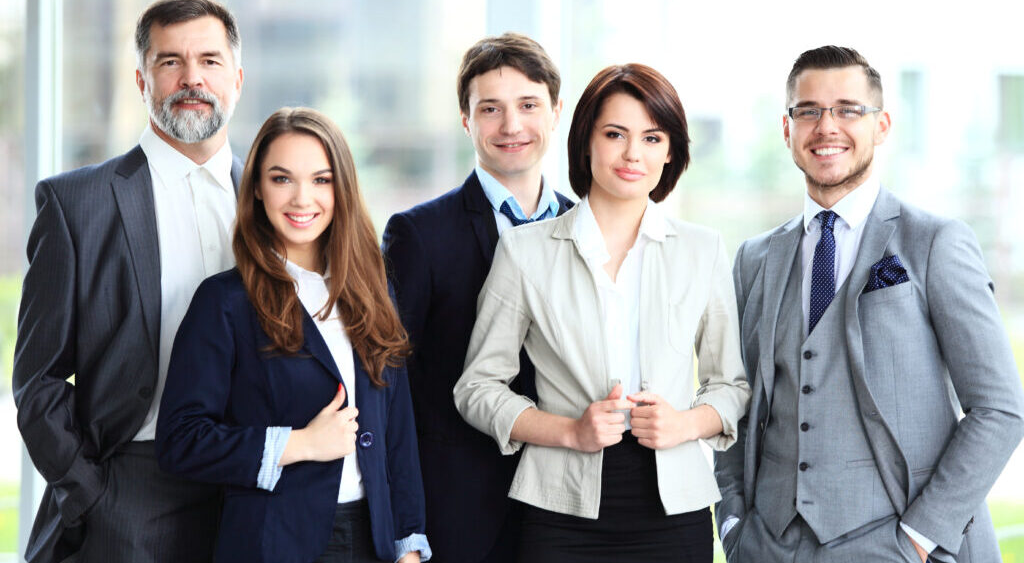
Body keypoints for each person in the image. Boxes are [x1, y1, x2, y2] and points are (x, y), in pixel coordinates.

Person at [714, 46, 1024, 563]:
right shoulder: (754, 259)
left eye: (847, 109)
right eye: (808, 110)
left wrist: (922, 537)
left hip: (900, 545)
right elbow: (733, 400)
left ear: (881, 125)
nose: (826, 125)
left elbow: (1000, 408)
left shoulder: (935, 243)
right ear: (786, 129)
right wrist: (733, 524)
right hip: (769, 546)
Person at [454, 63, 751, 563]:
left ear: (671, 151)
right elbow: (477, 388)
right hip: (560, 509)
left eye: (652, 138)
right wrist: (570, 430)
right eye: (615, 134)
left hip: (675, 508)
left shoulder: (702, 249)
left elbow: (731, 387)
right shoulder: (526, 252)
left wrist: (683, 424)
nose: (634, 154)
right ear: (586, 140)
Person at [13, 0, 244, 563]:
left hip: (256, 483)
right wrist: (90, 493)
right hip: (132, 489)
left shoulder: (278, 199)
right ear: (141, 79)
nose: (193, 79)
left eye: (210, 61)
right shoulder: (76, 204)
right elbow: (36, 382)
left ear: (236, 77)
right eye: (171, 62)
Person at [155, 107, 430, 563]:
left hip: (373, 543)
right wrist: (298, 444)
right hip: (272, 545)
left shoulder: (371, 289)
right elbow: (180, 441)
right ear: (258, 189)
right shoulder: (224, 302)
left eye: (321, 180)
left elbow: (396, 431)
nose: (303, 198)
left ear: (341, 189)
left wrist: (408, 547)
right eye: (282, 179)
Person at [381, 33, 574, 563]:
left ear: (556, 112)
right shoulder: (418, 235)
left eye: (528, 106)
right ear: (466, 120)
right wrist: (405, 525)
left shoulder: (588, 228)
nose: (511, 126)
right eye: (490, 109)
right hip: (457, 513)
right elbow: (390, 388)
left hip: (567, 508)